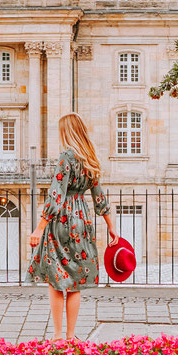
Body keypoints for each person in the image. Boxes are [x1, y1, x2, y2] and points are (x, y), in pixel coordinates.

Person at [26, 113, 118, 340]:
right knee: (75, 280)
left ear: (66, 132)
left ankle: (57, 335)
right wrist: (111, 226)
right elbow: (99, 197)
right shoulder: (90, 159)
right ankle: (70, 336)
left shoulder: (66, 157)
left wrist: (39, 228)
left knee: (57, 279)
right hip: (82, 220)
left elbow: (57, 195)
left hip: (62, 220)